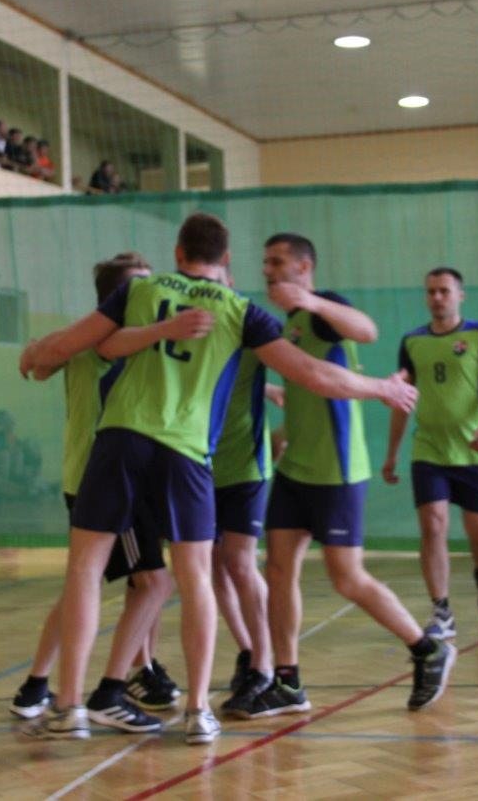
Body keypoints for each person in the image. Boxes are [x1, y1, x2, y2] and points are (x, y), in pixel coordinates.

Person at [17, 213, 419, 744]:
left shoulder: (141, 290)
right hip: (185, 453)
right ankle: (198, 711)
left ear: (178, 253)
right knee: (195, 579)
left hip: (120, 441)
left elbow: (75, 345)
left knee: (85, 571)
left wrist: (36, 353)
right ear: (225, 259)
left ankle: (69, 706)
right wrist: (381, 389)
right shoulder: (240, 310)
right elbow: (312, 373)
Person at [241, 232, 456, 720]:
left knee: (347, 578)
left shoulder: (322, 309)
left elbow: (367, 330)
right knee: (278, 570)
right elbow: (308, 391)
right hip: (296, 467)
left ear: (303, 267)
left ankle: (427, 650)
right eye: (265, 263)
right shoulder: (287, 325)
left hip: (336, 470)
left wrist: (312, 300)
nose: (268, 271)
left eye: (277, 262)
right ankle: (288, 681)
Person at [11, 252, 195, 734]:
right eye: (139, 287)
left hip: (96, 478)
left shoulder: (105, 341)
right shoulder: (100, 341)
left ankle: (38, 684)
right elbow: (46, 356)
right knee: (152, 584)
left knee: (86, 584)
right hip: (107, 479)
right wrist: (36, 352)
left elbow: (44, 358)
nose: (151, 294)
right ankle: (111, 690)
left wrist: (36, 353)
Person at [382, 267, 478, 634]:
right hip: (429, 451)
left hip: (472, 451)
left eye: (444, 291)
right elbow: (402, 399)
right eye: (431, 291)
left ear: (460, 296)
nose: (437, 297)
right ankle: (441, 611)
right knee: (433, 526)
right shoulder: (412, 341)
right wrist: (392, 454)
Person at [208, 265, 279, 716]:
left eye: (218, 280)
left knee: (238, 560)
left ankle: (265, 665)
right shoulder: (191, 328)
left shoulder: (250, 323)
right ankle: (248, 650)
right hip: (199, 464)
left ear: (230, 282)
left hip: (246, 462)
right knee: (212, 565)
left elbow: (288, 360)